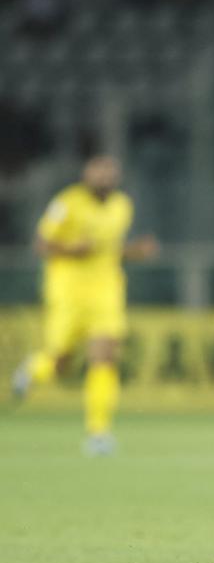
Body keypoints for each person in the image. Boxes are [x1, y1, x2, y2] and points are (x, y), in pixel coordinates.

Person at [11, 155, 159, 455]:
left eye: (110, 173)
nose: (105, 178)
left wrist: (133, 251)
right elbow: (41, 244)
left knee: (104, 355)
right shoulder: (67, 203)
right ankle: (33, 370)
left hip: (106, 292)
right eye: (99, 172)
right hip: (67, 293)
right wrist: (71, 249)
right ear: (87, 175)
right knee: (60, 361)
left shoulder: (122, 206)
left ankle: (99, 432)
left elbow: (109, 249)